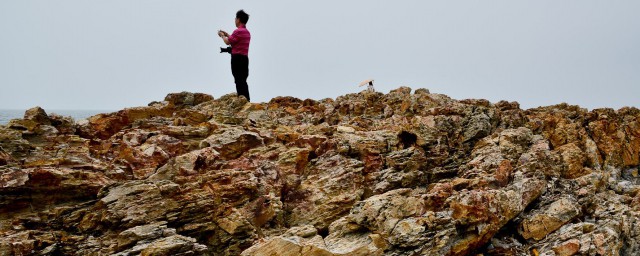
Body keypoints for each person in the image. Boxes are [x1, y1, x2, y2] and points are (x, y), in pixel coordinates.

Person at [218, 10, 251, 101]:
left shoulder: (237, 31)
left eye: (236, 18)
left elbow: (228, 42)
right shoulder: (247, 32)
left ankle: (242, 100)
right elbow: (235, 40)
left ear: (239, 19)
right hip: (244, 59)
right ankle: (247, 100)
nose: (235, 20)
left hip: (237, 59)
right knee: (243, 80)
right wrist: (227, 34)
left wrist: (222, 35)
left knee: (238, 80)